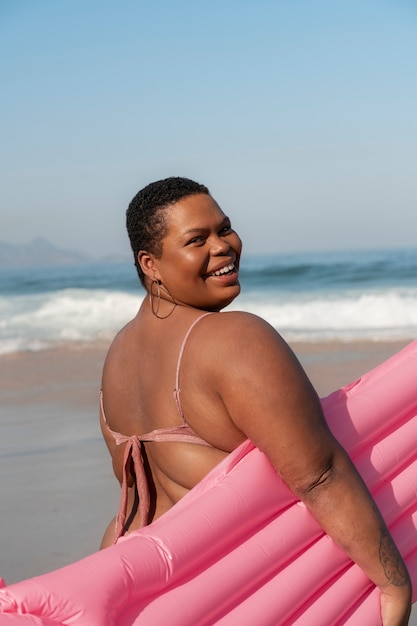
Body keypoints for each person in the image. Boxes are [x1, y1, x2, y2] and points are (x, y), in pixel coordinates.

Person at [99, 176, 412, 625]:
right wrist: (393, 583)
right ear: (151, 264)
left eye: (224, 228)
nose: (224, 246)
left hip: (141, 597)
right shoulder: (234, 338)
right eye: (197, 239)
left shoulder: (118, 357)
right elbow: (319, 474)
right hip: (231, 597)